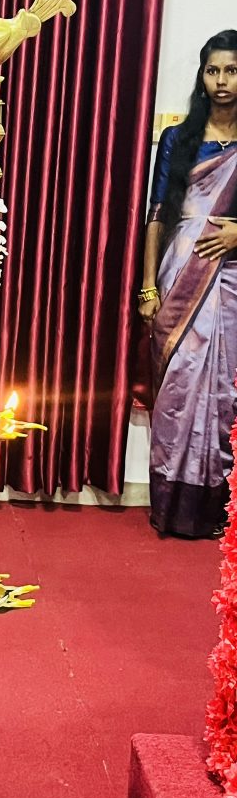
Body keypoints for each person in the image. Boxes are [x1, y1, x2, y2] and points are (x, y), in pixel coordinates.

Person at [139, 29, 237, 538]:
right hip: (180, 274)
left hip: (230, 282)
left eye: (232, 71)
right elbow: (158, 214)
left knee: (223, 392)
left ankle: (215, 510)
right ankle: (171, 506)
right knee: (178, 387)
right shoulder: (179, 140)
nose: (222, 80)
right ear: (202, 77)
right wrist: (148, 286)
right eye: (213, 70)